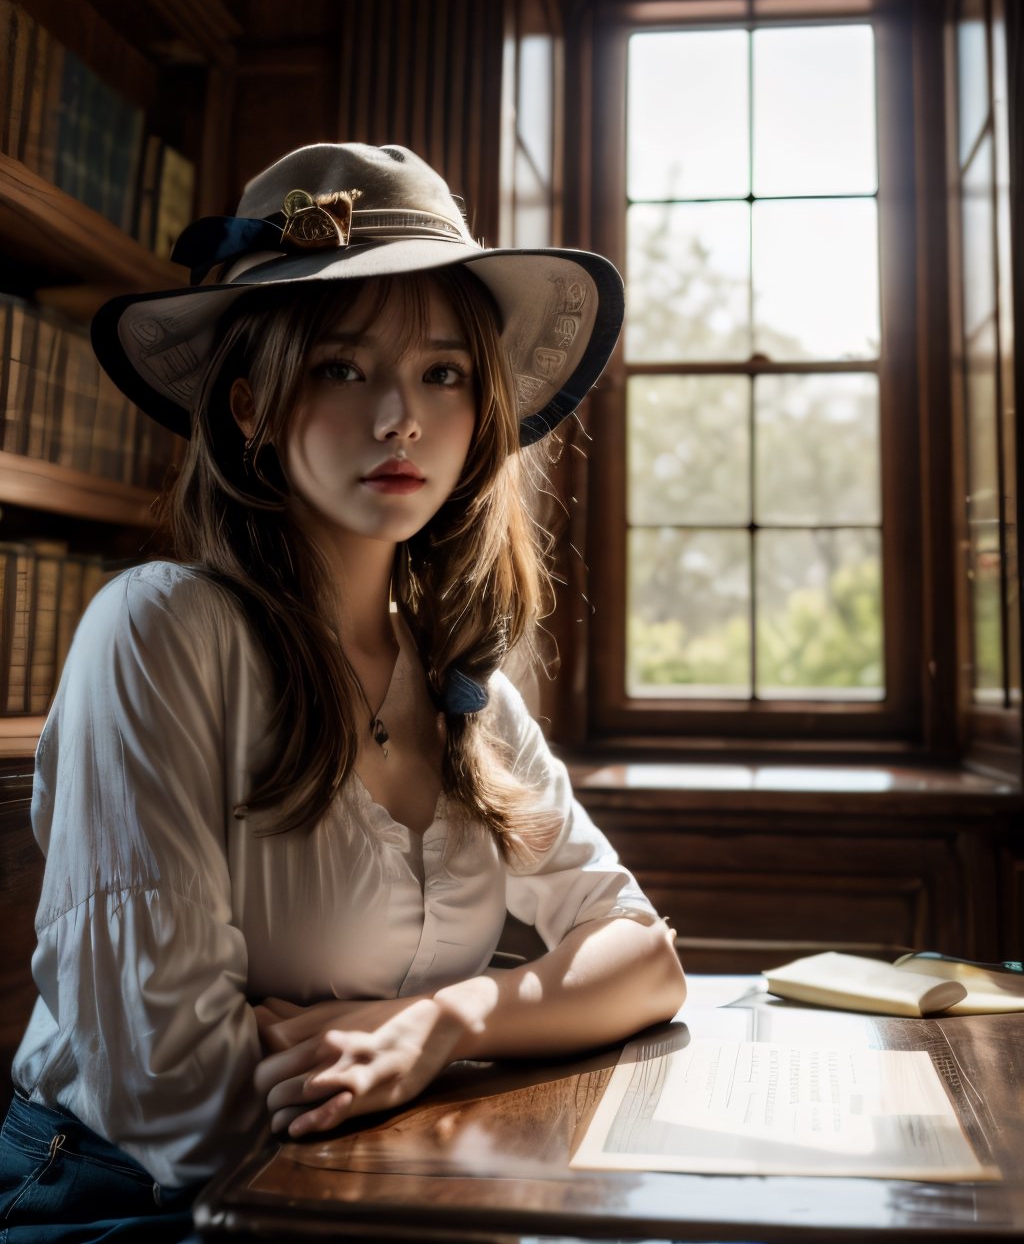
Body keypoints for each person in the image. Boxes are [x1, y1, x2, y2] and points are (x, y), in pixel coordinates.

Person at [0, 143, 686, 1239]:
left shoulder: (466, 685)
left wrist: (438, 1025)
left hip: (382, 1179)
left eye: (443, 372)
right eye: (341, 367)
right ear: (250, 404)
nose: (401, 419)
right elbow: (166, 1087)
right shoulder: (159, 630)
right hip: (133, 1202)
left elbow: (642, 959)